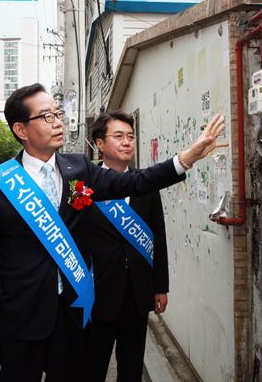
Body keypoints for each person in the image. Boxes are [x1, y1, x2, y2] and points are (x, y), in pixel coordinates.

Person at [0, 83, 226, 381]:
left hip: (72, 313)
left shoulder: (79, 168)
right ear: (21, 129)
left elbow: (134, 182)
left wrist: (185, 159)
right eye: (47, 117)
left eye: (58, 114)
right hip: (23, 315)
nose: (58, 122)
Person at [82, 112, 170, 381]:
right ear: (99, 143)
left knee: (131, 368)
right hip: (97, 292)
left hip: (136, 291)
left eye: (131, 137)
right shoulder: (84, 184)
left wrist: (160, 287)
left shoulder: (146, 184)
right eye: (118, 136)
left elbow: (158, 237)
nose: (127, 142)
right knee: (91, 367)